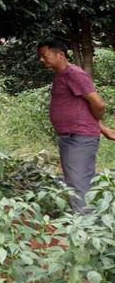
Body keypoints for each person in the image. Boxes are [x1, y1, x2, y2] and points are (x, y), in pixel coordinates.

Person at [37, 39, 106, 213]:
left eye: (44, 55)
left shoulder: (74, 74)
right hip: (70, 137)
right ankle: (81, 221)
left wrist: (95, 125)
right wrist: (102, 128)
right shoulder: (62, 75)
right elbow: (81, 108)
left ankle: (86, 228)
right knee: (74, 182)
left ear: (60, 55)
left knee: (79, 183)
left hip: (79, 138)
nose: (41, 60)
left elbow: (98, 104)